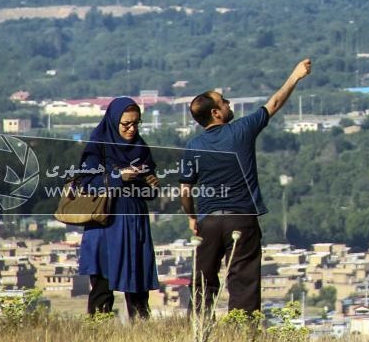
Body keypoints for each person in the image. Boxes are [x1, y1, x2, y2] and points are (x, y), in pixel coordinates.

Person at [180, 57, 311, 315]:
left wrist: (191, 217)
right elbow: (274, 104)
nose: (229, 104)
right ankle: (243, 331)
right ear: (216, 113)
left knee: (202, 283)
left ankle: (197, 329)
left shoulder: (193, 146)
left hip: (208, 220)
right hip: (241, 218)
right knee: (243, 283)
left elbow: (185, 190)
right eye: (224, 101)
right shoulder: (241, 130)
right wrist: (295, 75)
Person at [77, 96, 159, 319]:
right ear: (114, 122)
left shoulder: (141, 148)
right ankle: (99, 330)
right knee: (103, 285)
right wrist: (118, 176)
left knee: (138, 285)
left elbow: (149, 193)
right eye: (126, 124)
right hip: (106, 223)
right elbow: (86, 183)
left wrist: (150, 184)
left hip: (134, 222)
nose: (132, 129)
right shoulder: (98, 148)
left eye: (136, 123)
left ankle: (141, 331)